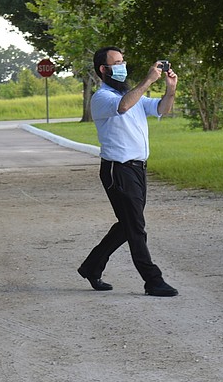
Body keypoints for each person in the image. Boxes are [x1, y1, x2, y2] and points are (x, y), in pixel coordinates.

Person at [77, 46, 180, 297]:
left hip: (137, 169)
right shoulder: (102, 98)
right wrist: (148, 80)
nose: (123, 66)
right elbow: (122, 107)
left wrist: (170, 89)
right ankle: (152, 280)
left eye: (123, 61)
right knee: (135, 226)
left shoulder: (132, 96)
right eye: (117, 63)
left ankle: (91, 267)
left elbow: (162, 109)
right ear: (104, 69)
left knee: (128, 224)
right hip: (118, 170)